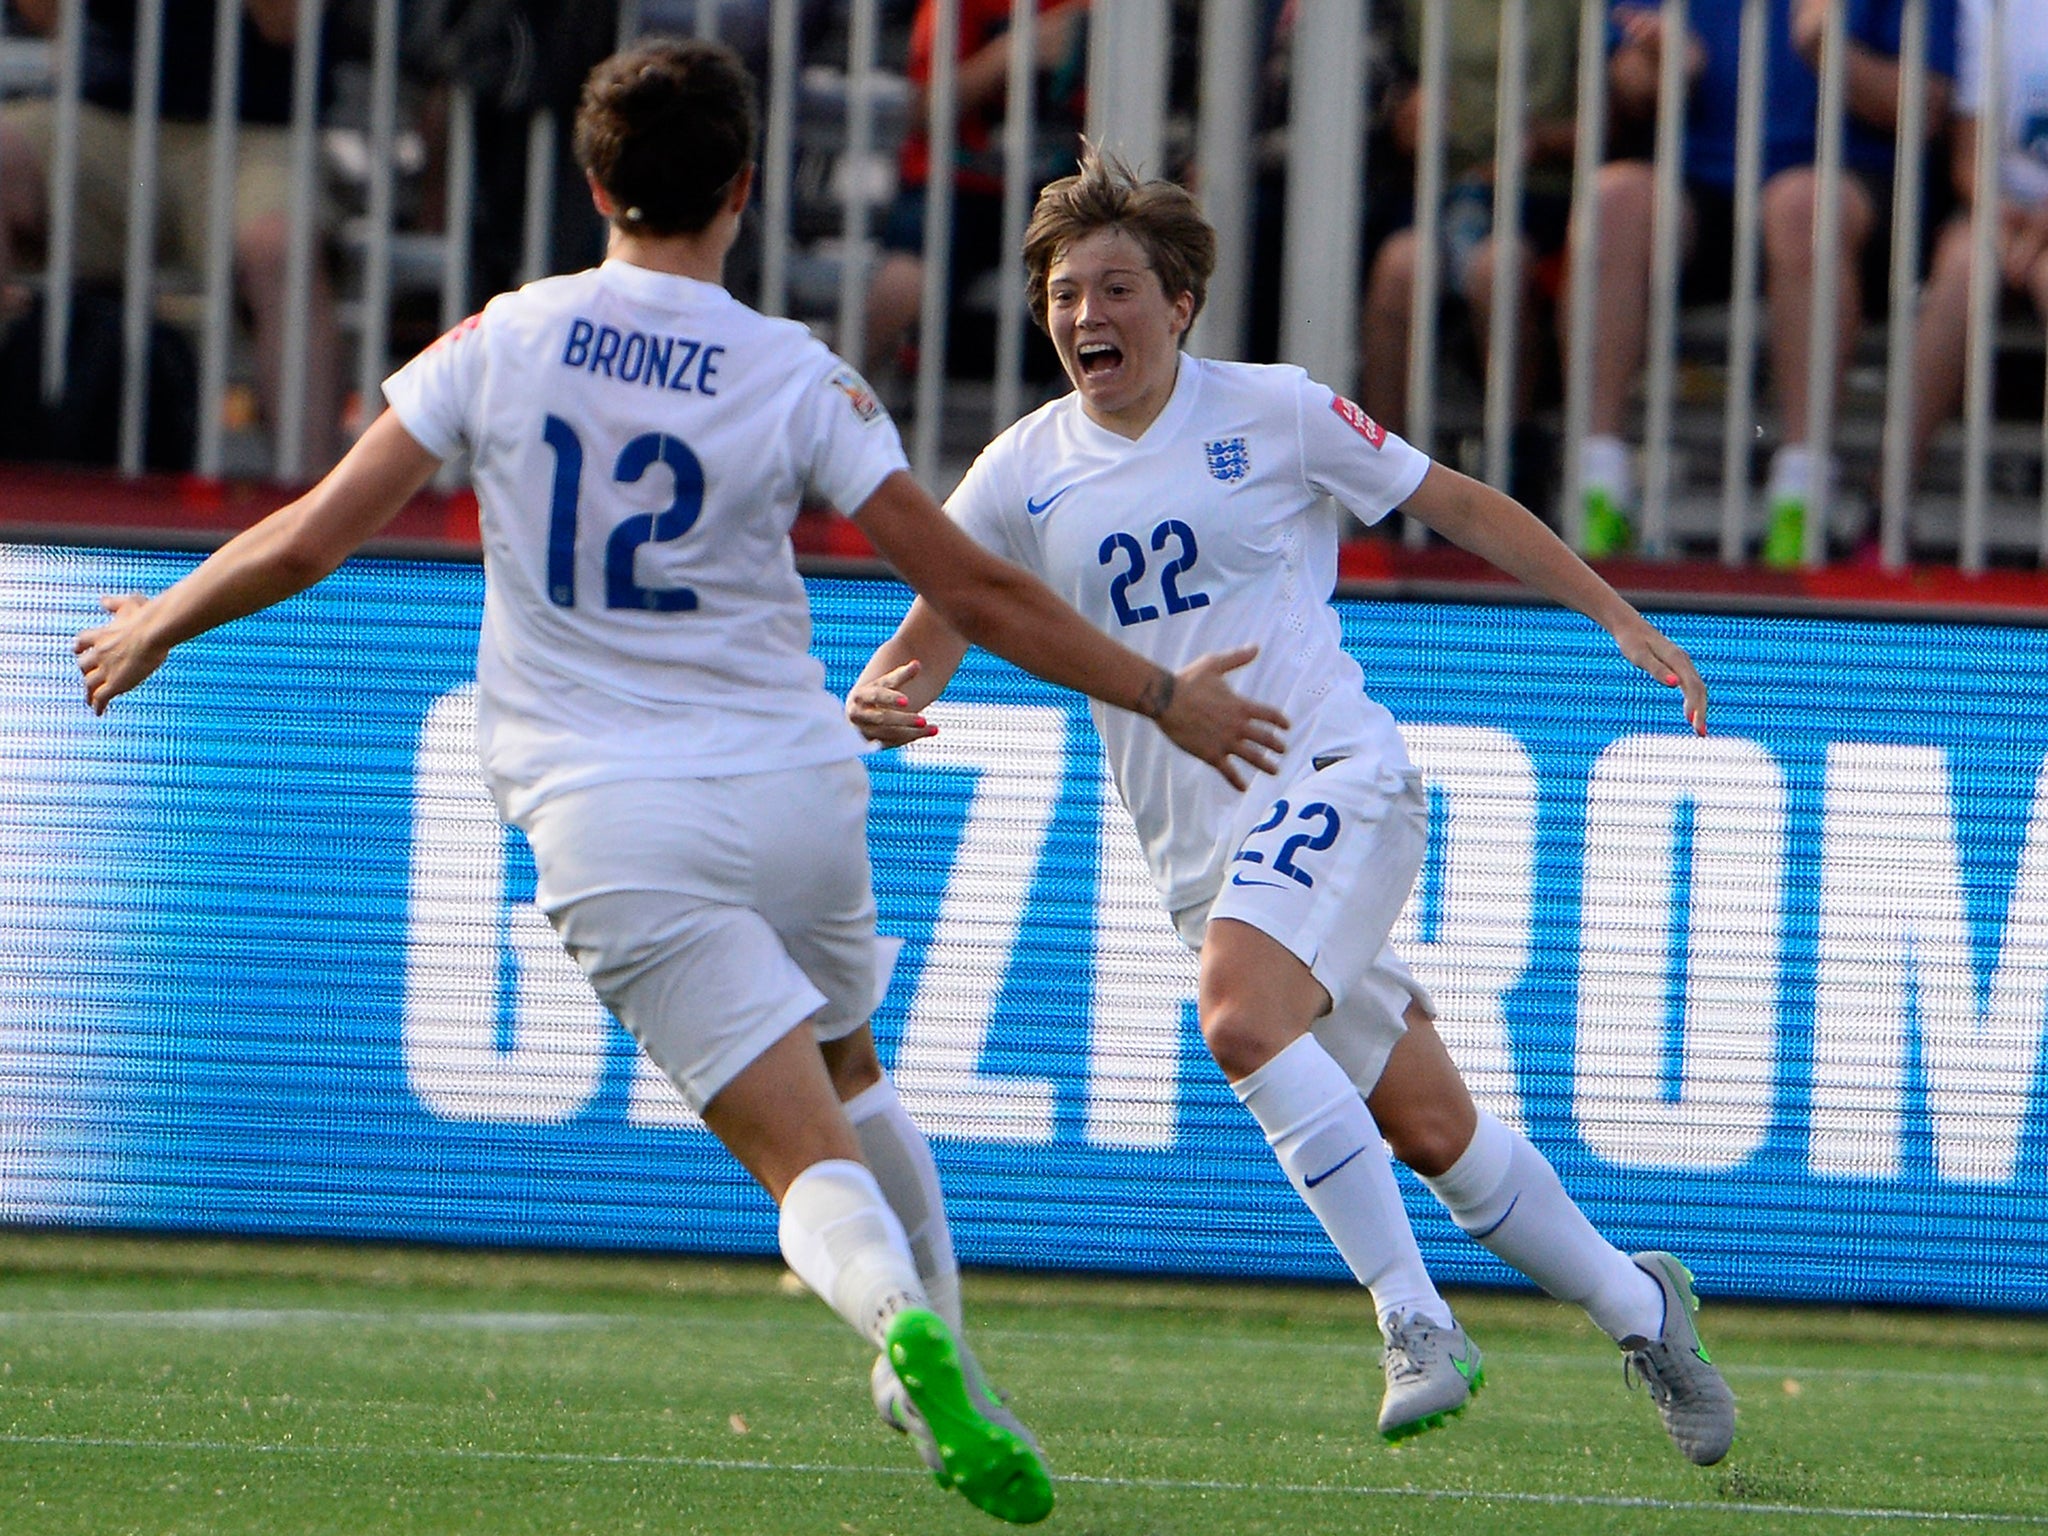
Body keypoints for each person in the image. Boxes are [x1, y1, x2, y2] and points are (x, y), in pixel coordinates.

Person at [71, 40, 1288, 1526]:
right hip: (793, 786)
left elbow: (319, 533)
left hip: (611, 813)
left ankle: (903, 1335)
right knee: (851, 1068)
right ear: (743, 189)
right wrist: (1163, 692)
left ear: (593, 185)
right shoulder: (794, 372)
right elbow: (970, 582)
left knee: (803, 1162)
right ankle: (945, 1358)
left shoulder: (503, 340)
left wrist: (155, 618)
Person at [848, 148, 1737, 1463]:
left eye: (1118, 289)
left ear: (1182, 304)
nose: (1088, 316)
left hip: (1337, 778)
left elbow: (1457, 504)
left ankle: (1414, 1319)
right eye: (1063, 294)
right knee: (1432, 1126)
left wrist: (1617, 616)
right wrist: (879, 694)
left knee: (1239, 1015)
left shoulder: (1273, 412)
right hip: (1204, 858)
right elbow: (933, 634)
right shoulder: (1019, 474)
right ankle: (1639, 1304)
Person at [1576, 0, 1955, 563]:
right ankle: (1597, 487)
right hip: (1703, 183)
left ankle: (1801, 498)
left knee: (1799, 206)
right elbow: (1623, 85)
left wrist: (1830, 52)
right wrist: (1659, 67)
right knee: (1614, 200)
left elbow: (1928, 108)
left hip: (1851, 189)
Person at [0, 0, 346, 475]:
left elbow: (286, 24)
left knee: (278, 248)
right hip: (101, 118)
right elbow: (44, 16)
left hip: (258, 132)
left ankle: (312, 504)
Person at [1357, 0, 1581, 475]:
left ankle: (1513, 466)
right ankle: (1380, 475)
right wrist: (1407, 117)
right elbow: (1391, 93)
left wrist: (1542, 143)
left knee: (1497, 270)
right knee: (1400, 266)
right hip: (1439, 189)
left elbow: (1616, 122)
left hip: (1540, 192)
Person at [860, 0, 1087, 381]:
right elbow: (924, 113)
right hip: (958, 183)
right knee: (904, 278)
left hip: (1066, 189)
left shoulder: (1107, 11)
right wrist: (1013, 52)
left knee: (1111, 276)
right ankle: (833, 398)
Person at [1905, 0, 2048, 511]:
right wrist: (2003, 214)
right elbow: (1968, 158)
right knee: (1965, 265)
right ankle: (1890, 495)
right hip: (2001, 216)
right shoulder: (1987, 7)